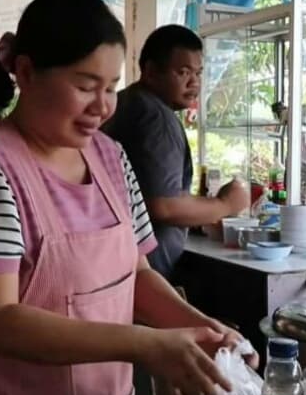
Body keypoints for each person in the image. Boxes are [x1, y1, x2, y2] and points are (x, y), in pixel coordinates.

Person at [0, 0, 254, 395]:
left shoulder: (110, 158)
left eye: (111, 87)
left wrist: (205, 332)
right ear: (25, 73)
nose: (103, 107)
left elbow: (138, 275)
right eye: (86, 86)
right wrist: (146, 344)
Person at [102, 24, 250, 280]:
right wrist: (225, 204)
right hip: (144, 271)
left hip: (115, 262)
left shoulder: (127, 101)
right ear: (150, 71)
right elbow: (164, 206)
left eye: (198, 73)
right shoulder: (156, 117)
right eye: (183, 72)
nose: (194, 83)